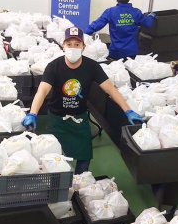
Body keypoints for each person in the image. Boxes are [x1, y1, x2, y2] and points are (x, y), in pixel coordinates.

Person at [22, 26, 144, 174]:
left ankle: (80, 183)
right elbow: (42, 91)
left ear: (83, 47)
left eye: (77, 44)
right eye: (69, 44)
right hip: (57, 120)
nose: (73, 48)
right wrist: (33, 113)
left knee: (84, 156)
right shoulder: (54, 66)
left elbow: (111, 89)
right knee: (52, 157)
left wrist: (128, 110)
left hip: (79, 119)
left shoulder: (91, 67)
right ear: (63, 46)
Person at [85, 0, 156, 60]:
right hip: (132, 53)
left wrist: (83, 34)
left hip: (116, 53)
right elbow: (148, 23)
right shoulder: (136, 12)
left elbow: (96, 25)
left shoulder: (110, 12)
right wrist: (151, 16)